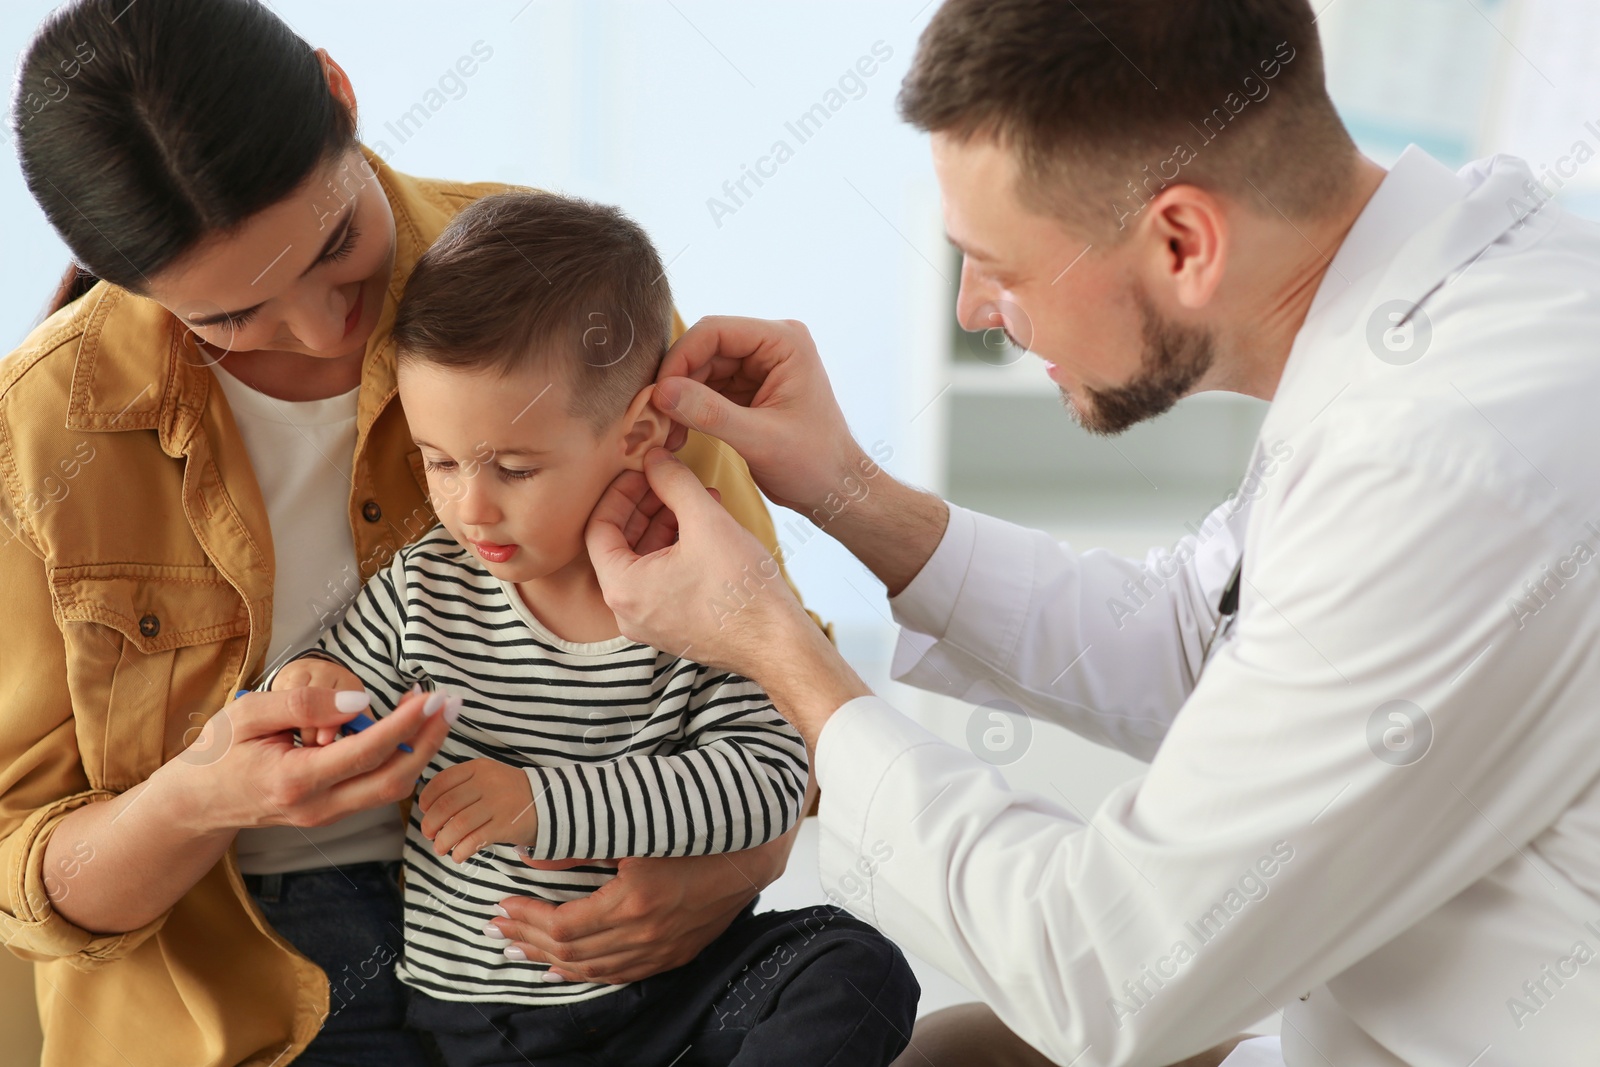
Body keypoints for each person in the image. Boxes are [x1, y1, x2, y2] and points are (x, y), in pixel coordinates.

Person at [573, 1, 1600, 1065]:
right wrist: (846, 491)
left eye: (1000, 264)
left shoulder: (1444, 463)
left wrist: (772, 643)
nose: (975, 307)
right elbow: (1202, 641)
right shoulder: (1439, 282)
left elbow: (1106, 973)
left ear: (1181, 240)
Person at [0, 2, 821, 1064]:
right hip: (232, 1006)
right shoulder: (41, 430)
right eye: (230, 318)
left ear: (340, 91)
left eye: (334, 245)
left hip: (561, 936)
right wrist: (196, 799)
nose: (320, 327)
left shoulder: (555, 284)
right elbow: (26, 870)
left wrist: (729, 869)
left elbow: (774, 672)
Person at [266, 190, 919, 1067]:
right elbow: (338, 685)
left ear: (640, 431)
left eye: (516, 467)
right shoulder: (428, 586)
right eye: (440, 460)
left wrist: (546, 805)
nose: (470, 503)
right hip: (480, 1019)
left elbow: (768, 780)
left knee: (862, 968)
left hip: (675, 988)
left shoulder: (703, 591)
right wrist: (303, 689)